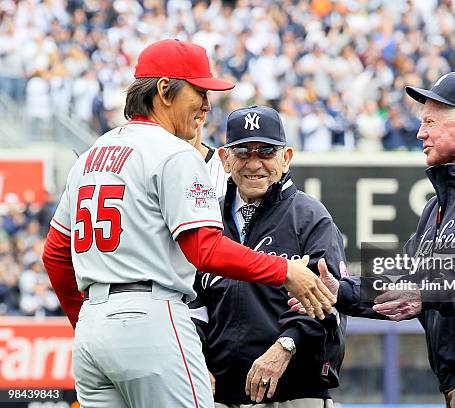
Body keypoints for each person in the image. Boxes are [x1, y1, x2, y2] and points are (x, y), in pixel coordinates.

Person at [41, 39, 335, 408]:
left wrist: (84, 320)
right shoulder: (174, 152)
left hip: (92, 331)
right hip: (152, 318)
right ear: (164, 90)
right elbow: (204, 249)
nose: (207, 106)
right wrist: (283, 271)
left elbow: (55, 256)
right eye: (199, 91)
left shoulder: (92, 153)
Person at [290, 72, 455, 408]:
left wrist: (425, 292)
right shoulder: (438, 206)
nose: (420, 132)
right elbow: (406, 282)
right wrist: (341, 291)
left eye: (430, 121)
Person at [190, 105, 346, 408]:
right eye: (243, 152)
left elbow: (328, 301)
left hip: (295, 392)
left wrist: (285, 346)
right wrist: (196, 360)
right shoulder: (206, 219)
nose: (254, 163)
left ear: (286, 158)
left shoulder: (310, 217)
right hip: (219, 394)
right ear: (224, 159)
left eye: (266, 151)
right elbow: (190, 299)